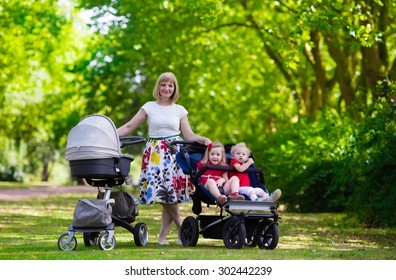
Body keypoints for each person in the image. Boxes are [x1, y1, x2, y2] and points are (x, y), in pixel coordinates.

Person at [117, 72, 211, 245]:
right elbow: (129, 126)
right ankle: (183, 228)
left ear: (174, 88)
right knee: (162, 193)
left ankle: (162, 237)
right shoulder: (149, 107)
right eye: (163, 84)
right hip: (155, 154)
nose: (167, 88)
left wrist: (203, 139)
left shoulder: (179, 109)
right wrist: (110, 133)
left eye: (170, 85)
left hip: (175, 152)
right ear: (158, 87)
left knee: (170, 196)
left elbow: (189, 135)